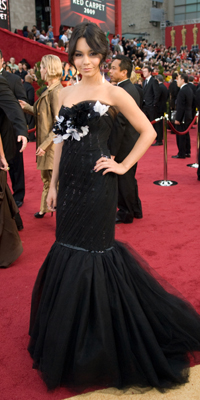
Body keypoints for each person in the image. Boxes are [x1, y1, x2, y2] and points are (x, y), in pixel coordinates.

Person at [28, 22, 200, 392]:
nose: (85, 60)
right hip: (70, 188)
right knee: (67, 250)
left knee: (95, 254)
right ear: (71, 56)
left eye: (92, 53)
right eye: (79, 53)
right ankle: (72, 339)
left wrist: (121, 165)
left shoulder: (113, 93)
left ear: (104, 56)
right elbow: (59, 142)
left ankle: (101, 342)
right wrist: (53, 186)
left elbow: (150, 131)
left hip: (97, 187)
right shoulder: (64, 93)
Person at [19, 55, 63, 218]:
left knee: (54, 182)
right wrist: (27, 107)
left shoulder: (57, 92)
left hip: (51, 145)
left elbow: (59, 124)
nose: (40, 70)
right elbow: (42, 114)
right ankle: (45, 207)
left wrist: (44, 145)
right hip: (45, 143)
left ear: (50, 69)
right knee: (46, 179)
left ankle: (59, 215)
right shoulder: (49, 90)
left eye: (43, 67)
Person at [109, 55, 142, 223]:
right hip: (131, 140)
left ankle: (126, 213)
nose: (110, 71)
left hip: (125, 143)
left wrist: (112, 152)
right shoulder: (131, 88)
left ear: (124, 72)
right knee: (129, 178)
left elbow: (120, 123)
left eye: (114, 68)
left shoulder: (123, 90)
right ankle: (135, 209)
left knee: (124, 180)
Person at [0, 50, 27, 208]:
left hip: (11, 131)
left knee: (15, 164)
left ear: (2, 60)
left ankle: (18, 194)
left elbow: (19, 104)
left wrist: (21, 129)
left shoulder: (13, 79)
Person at [172, 73, 193, 159]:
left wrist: (178, 119)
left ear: (183, 80)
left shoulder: (182, 90)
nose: (177, 81)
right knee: (186, 134)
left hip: (183, 117)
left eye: (179, 79)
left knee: (181, 135)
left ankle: (181, 153)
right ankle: (187, 151)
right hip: (188, 115)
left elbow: (181, 107)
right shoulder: (189, 89)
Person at [152, 74, 168, 146]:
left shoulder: (159, 87)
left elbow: (157, 97)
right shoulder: (164, 87)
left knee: (158, 124)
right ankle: (160, 138)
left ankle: (159, 140)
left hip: (158, 108)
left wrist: (154, 104)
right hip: (163, 107)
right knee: (161, 124)